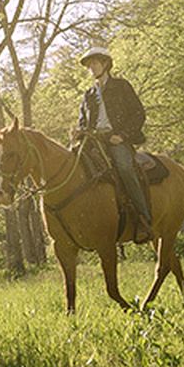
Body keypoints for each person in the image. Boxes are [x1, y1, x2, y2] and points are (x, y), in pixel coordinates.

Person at [73, 46, 152, 242]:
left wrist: (123, 135)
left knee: (125, 168)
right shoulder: (88, 94)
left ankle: (144, 219)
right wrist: (78, 131)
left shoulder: (122, 86)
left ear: (105, 64)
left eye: (94, 63)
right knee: (72, 165)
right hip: (93, 141)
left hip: (116, 139)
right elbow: (83, 121)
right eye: (89, 65)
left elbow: (138, 114)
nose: (91, 68)